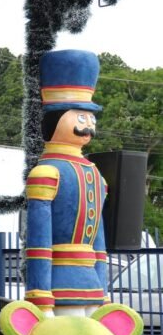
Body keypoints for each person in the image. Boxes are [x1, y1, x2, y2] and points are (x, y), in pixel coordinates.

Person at [25, 49, 108, 318]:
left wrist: (103, 290)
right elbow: (39, 240)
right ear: (53, 119)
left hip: (90, 286)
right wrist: (40, 294)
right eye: (80, 117)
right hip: (60, 285)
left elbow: (99, 241)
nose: (88, 125)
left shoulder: (95, 174)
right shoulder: (46, 172)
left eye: (91, 118)